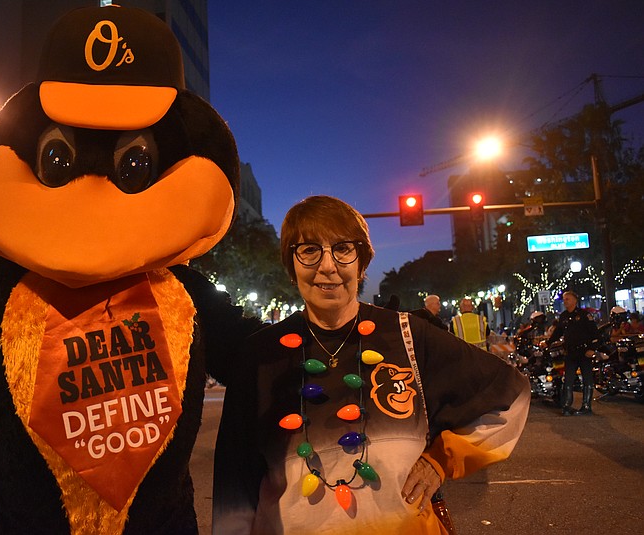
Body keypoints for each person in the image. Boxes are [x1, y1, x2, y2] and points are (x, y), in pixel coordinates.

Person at [213, 195, 530, 534]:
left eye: (343, 249)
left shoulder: (409, 336)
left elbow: (510, 395)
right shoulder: (260, 356)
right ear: (291, 264)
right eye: (309, 250)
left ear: (361, 261)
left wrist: (441, 459)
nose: (328, 266)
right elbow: (235, 484)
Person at [547, 291, 599, 416]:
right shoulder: (564, 316)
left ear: (575, 301)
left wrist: (592, 348)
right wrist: (548, 342)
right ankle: (567, 406)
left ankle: (586, 406)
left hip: (584, 352)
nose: (565, 302)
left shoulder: (584, 315)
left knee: (587, 379)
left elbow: (595, 334)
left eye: (568, 299)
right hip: (570, 352)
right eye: (564, 299)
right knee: (568, 380)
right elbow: (558, 332)